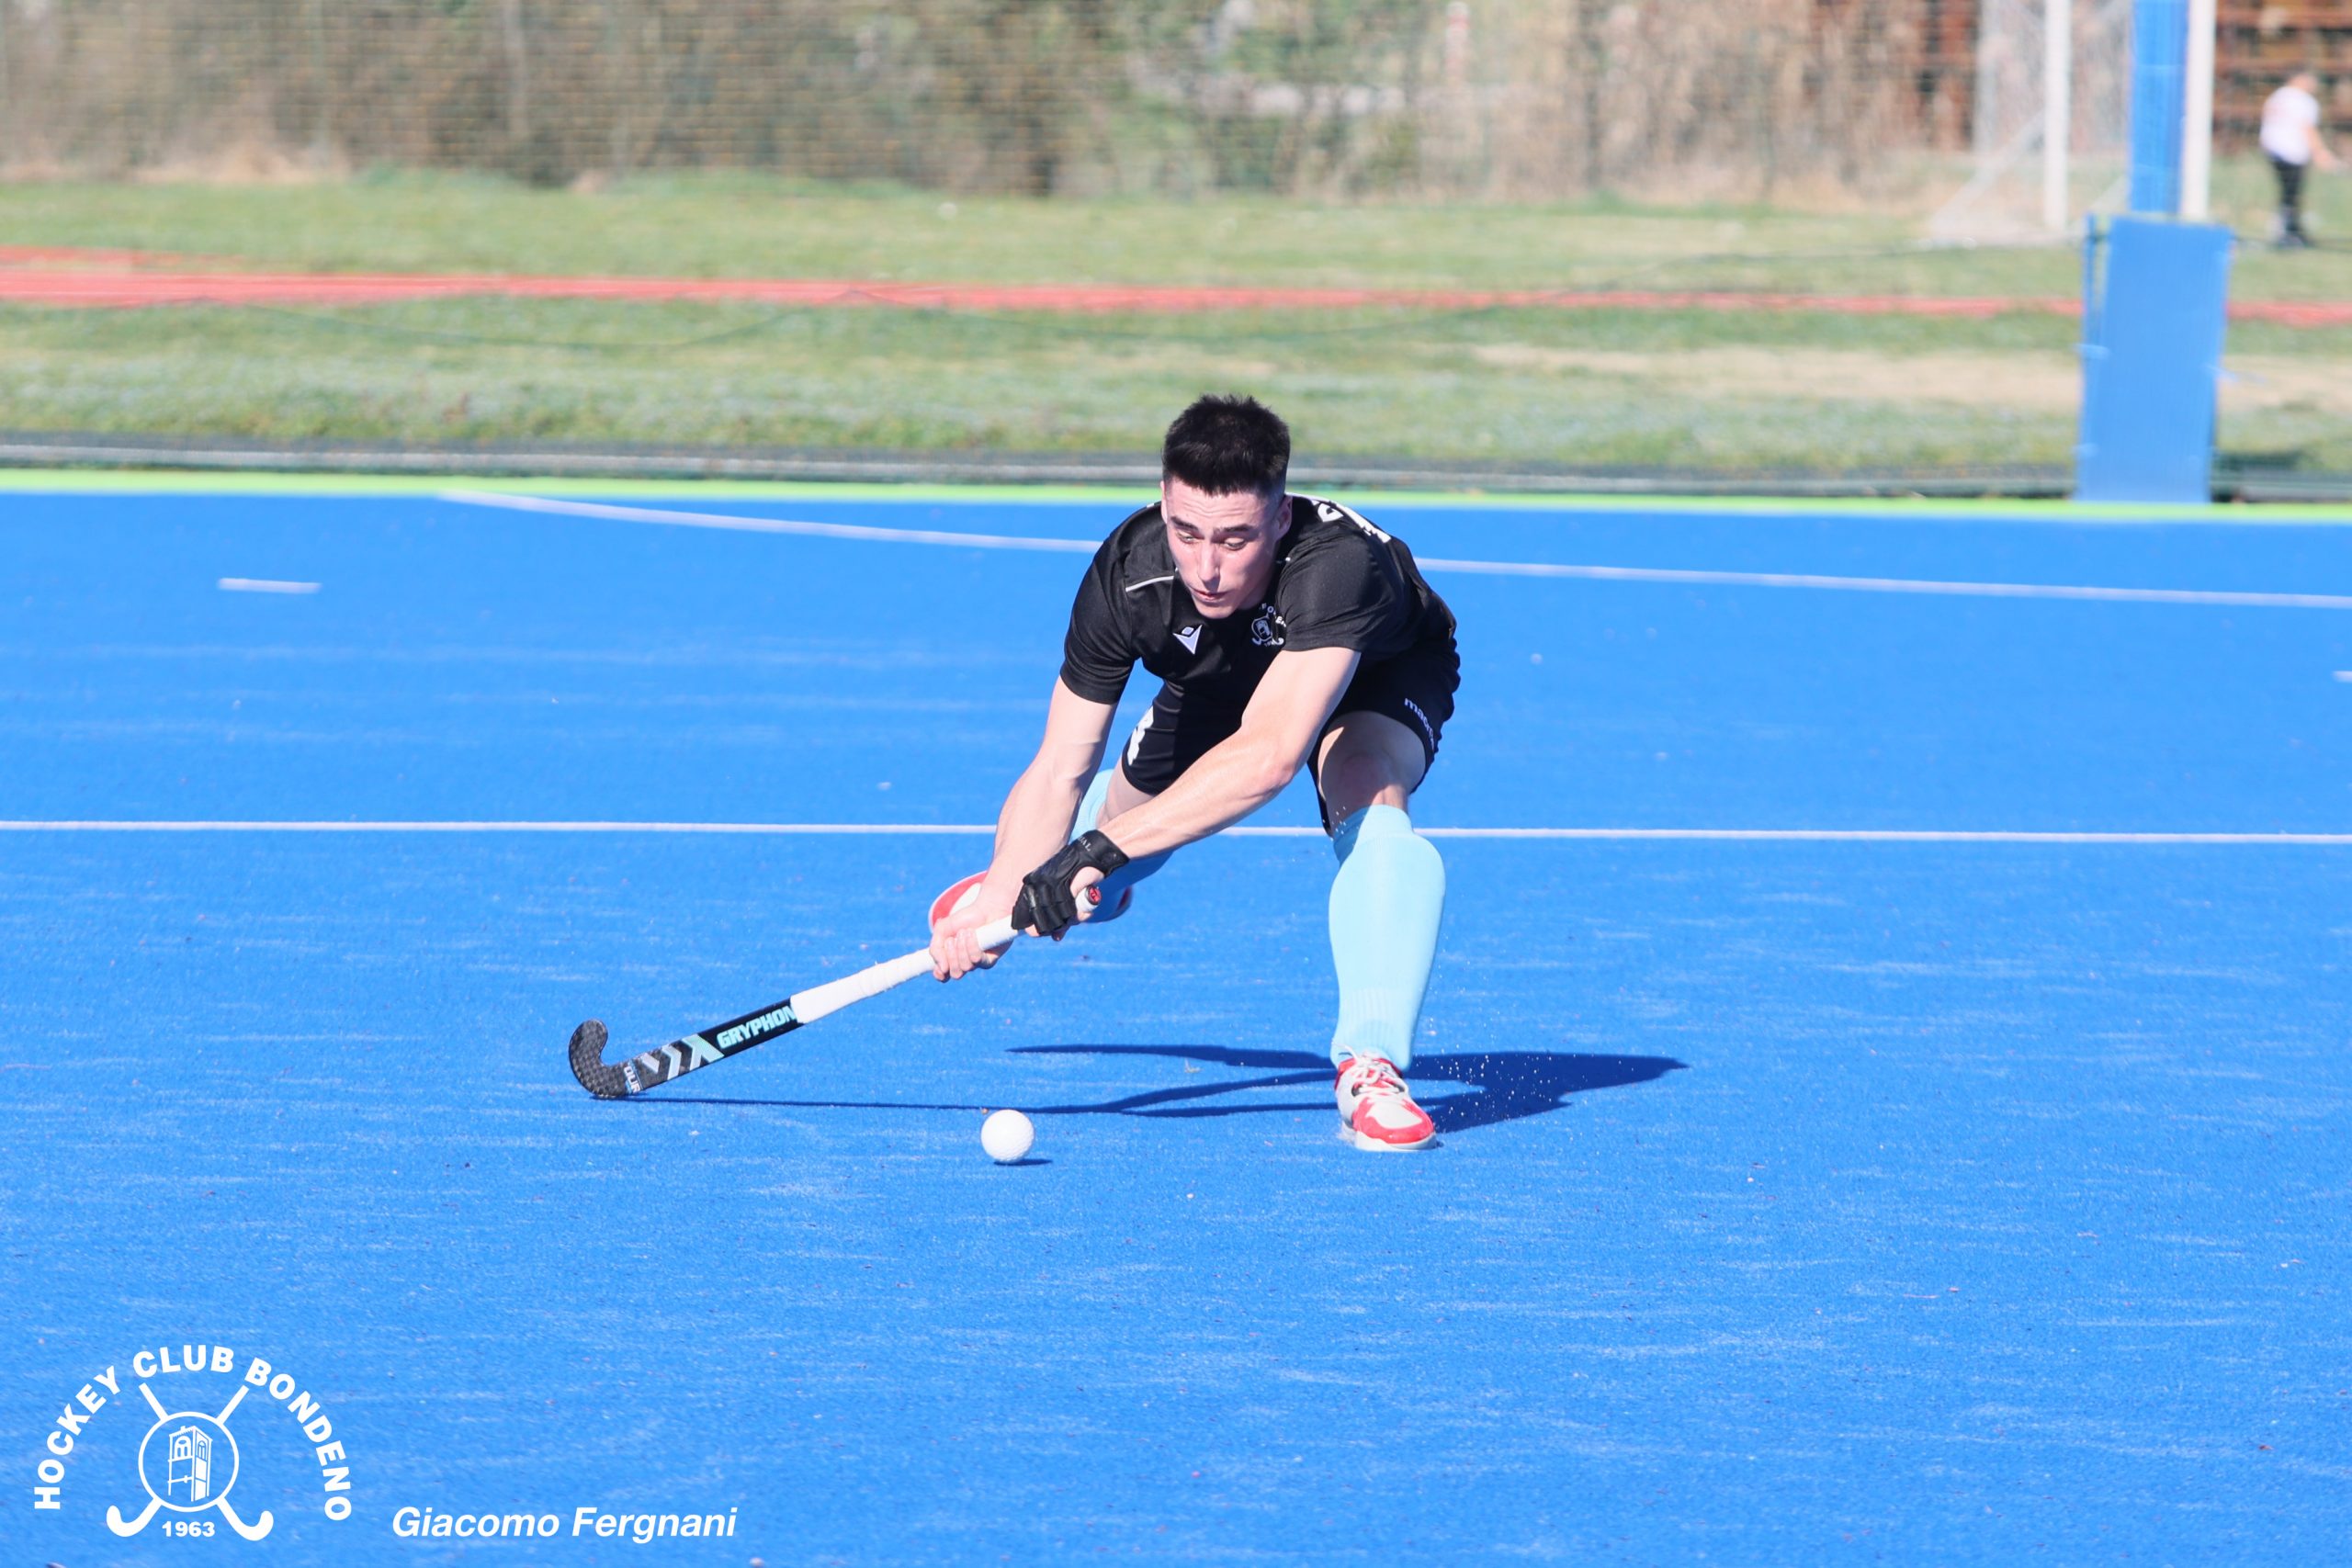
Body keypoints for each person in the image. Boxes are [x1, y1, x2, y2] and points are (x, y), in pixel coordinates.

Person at [927, 395, 1460, 1151]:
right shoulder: (1128, 571)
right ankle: (1073, 886)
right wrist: (1007, 890)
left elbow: (1272, 753)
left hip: (1371, 671)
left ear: (1279, 520)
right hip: (1212, 678)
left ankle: (1370, 1067)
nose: (1208, 567)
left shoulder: (1340, 566)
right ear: (1164, 509)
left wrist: (1098, 850)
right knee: (1093, 848)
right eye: (1188, 533)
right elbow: (1059, 767)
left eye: (1237, 538)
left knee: (1365, 781)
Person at [2262, 70, 2340, 249]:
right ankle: (2287, 232)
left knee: (2287, 194)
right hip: (2292, 151)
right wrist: (2320, 152)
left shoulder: (2277, 96)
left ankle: (2293, 230)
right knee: (2292, 194)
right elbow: (2306, 128)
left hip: (2274, 150)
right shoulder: (2302, 99)